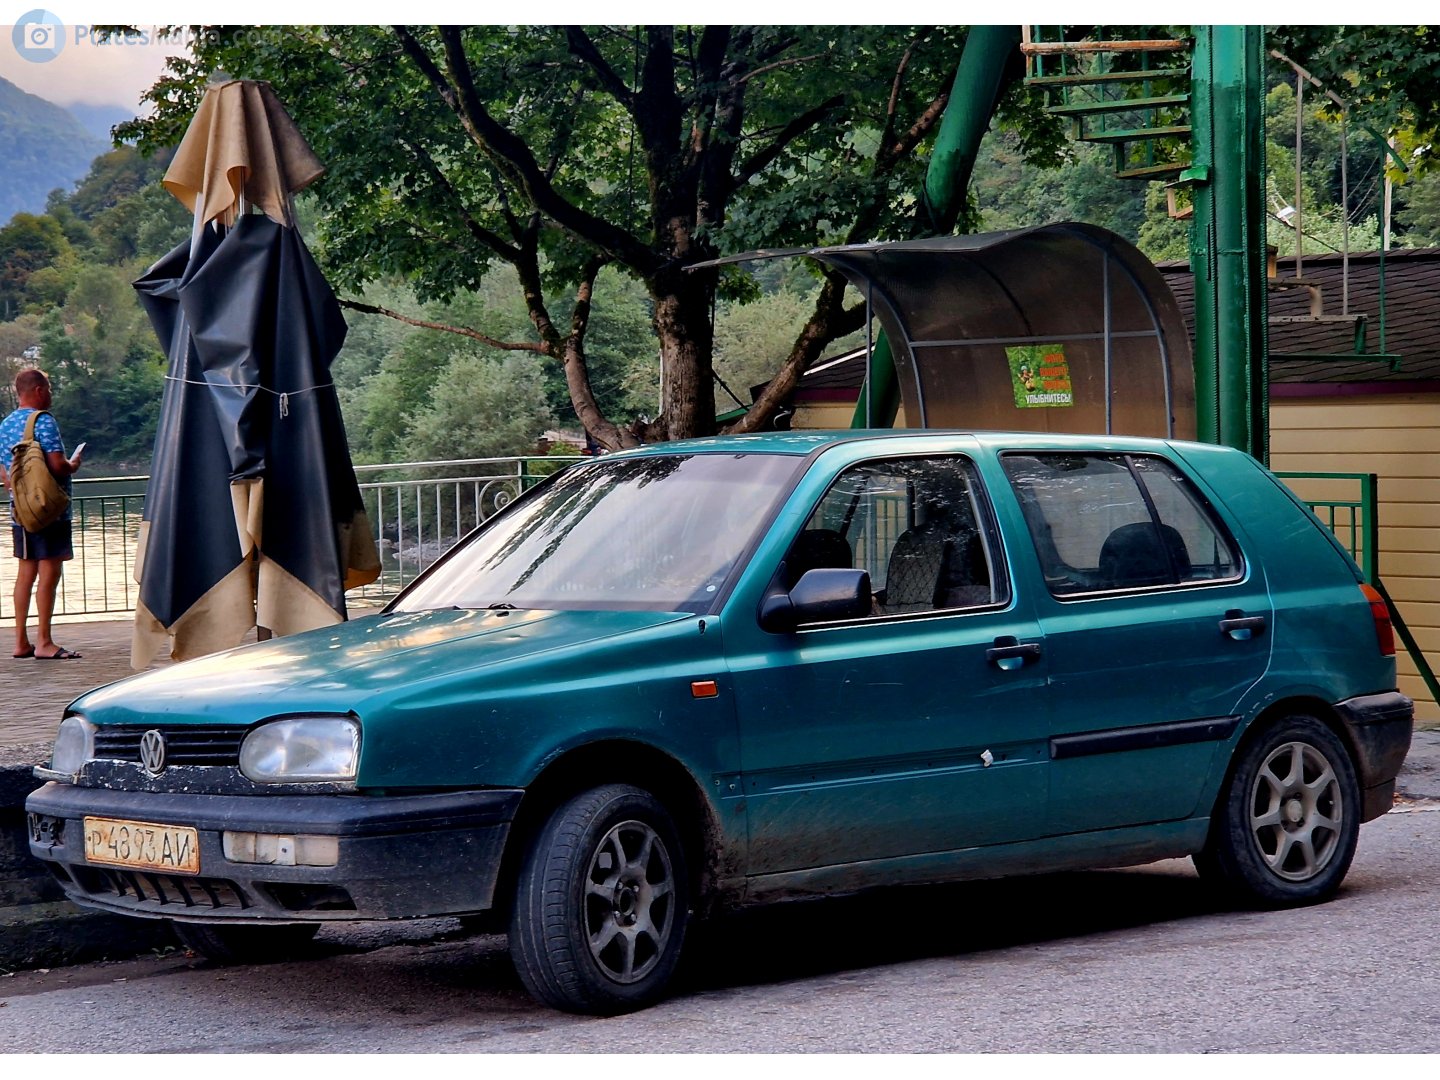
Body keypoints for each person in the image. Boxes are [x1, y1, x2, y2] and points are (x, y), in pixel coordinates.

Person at [0, 368, 83, 659]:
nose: (50, 394)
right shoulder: (44, 421)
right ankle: (45, 642)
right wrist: (74, 463)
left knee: (26, 572)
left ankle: (20, 642)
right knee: (49, 571)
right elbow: (57, 466)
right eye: (47, 388)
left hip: (20, 510)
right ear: (37, 390)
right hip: (49, 510)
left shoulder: (5, 425)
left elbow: (5, 474)